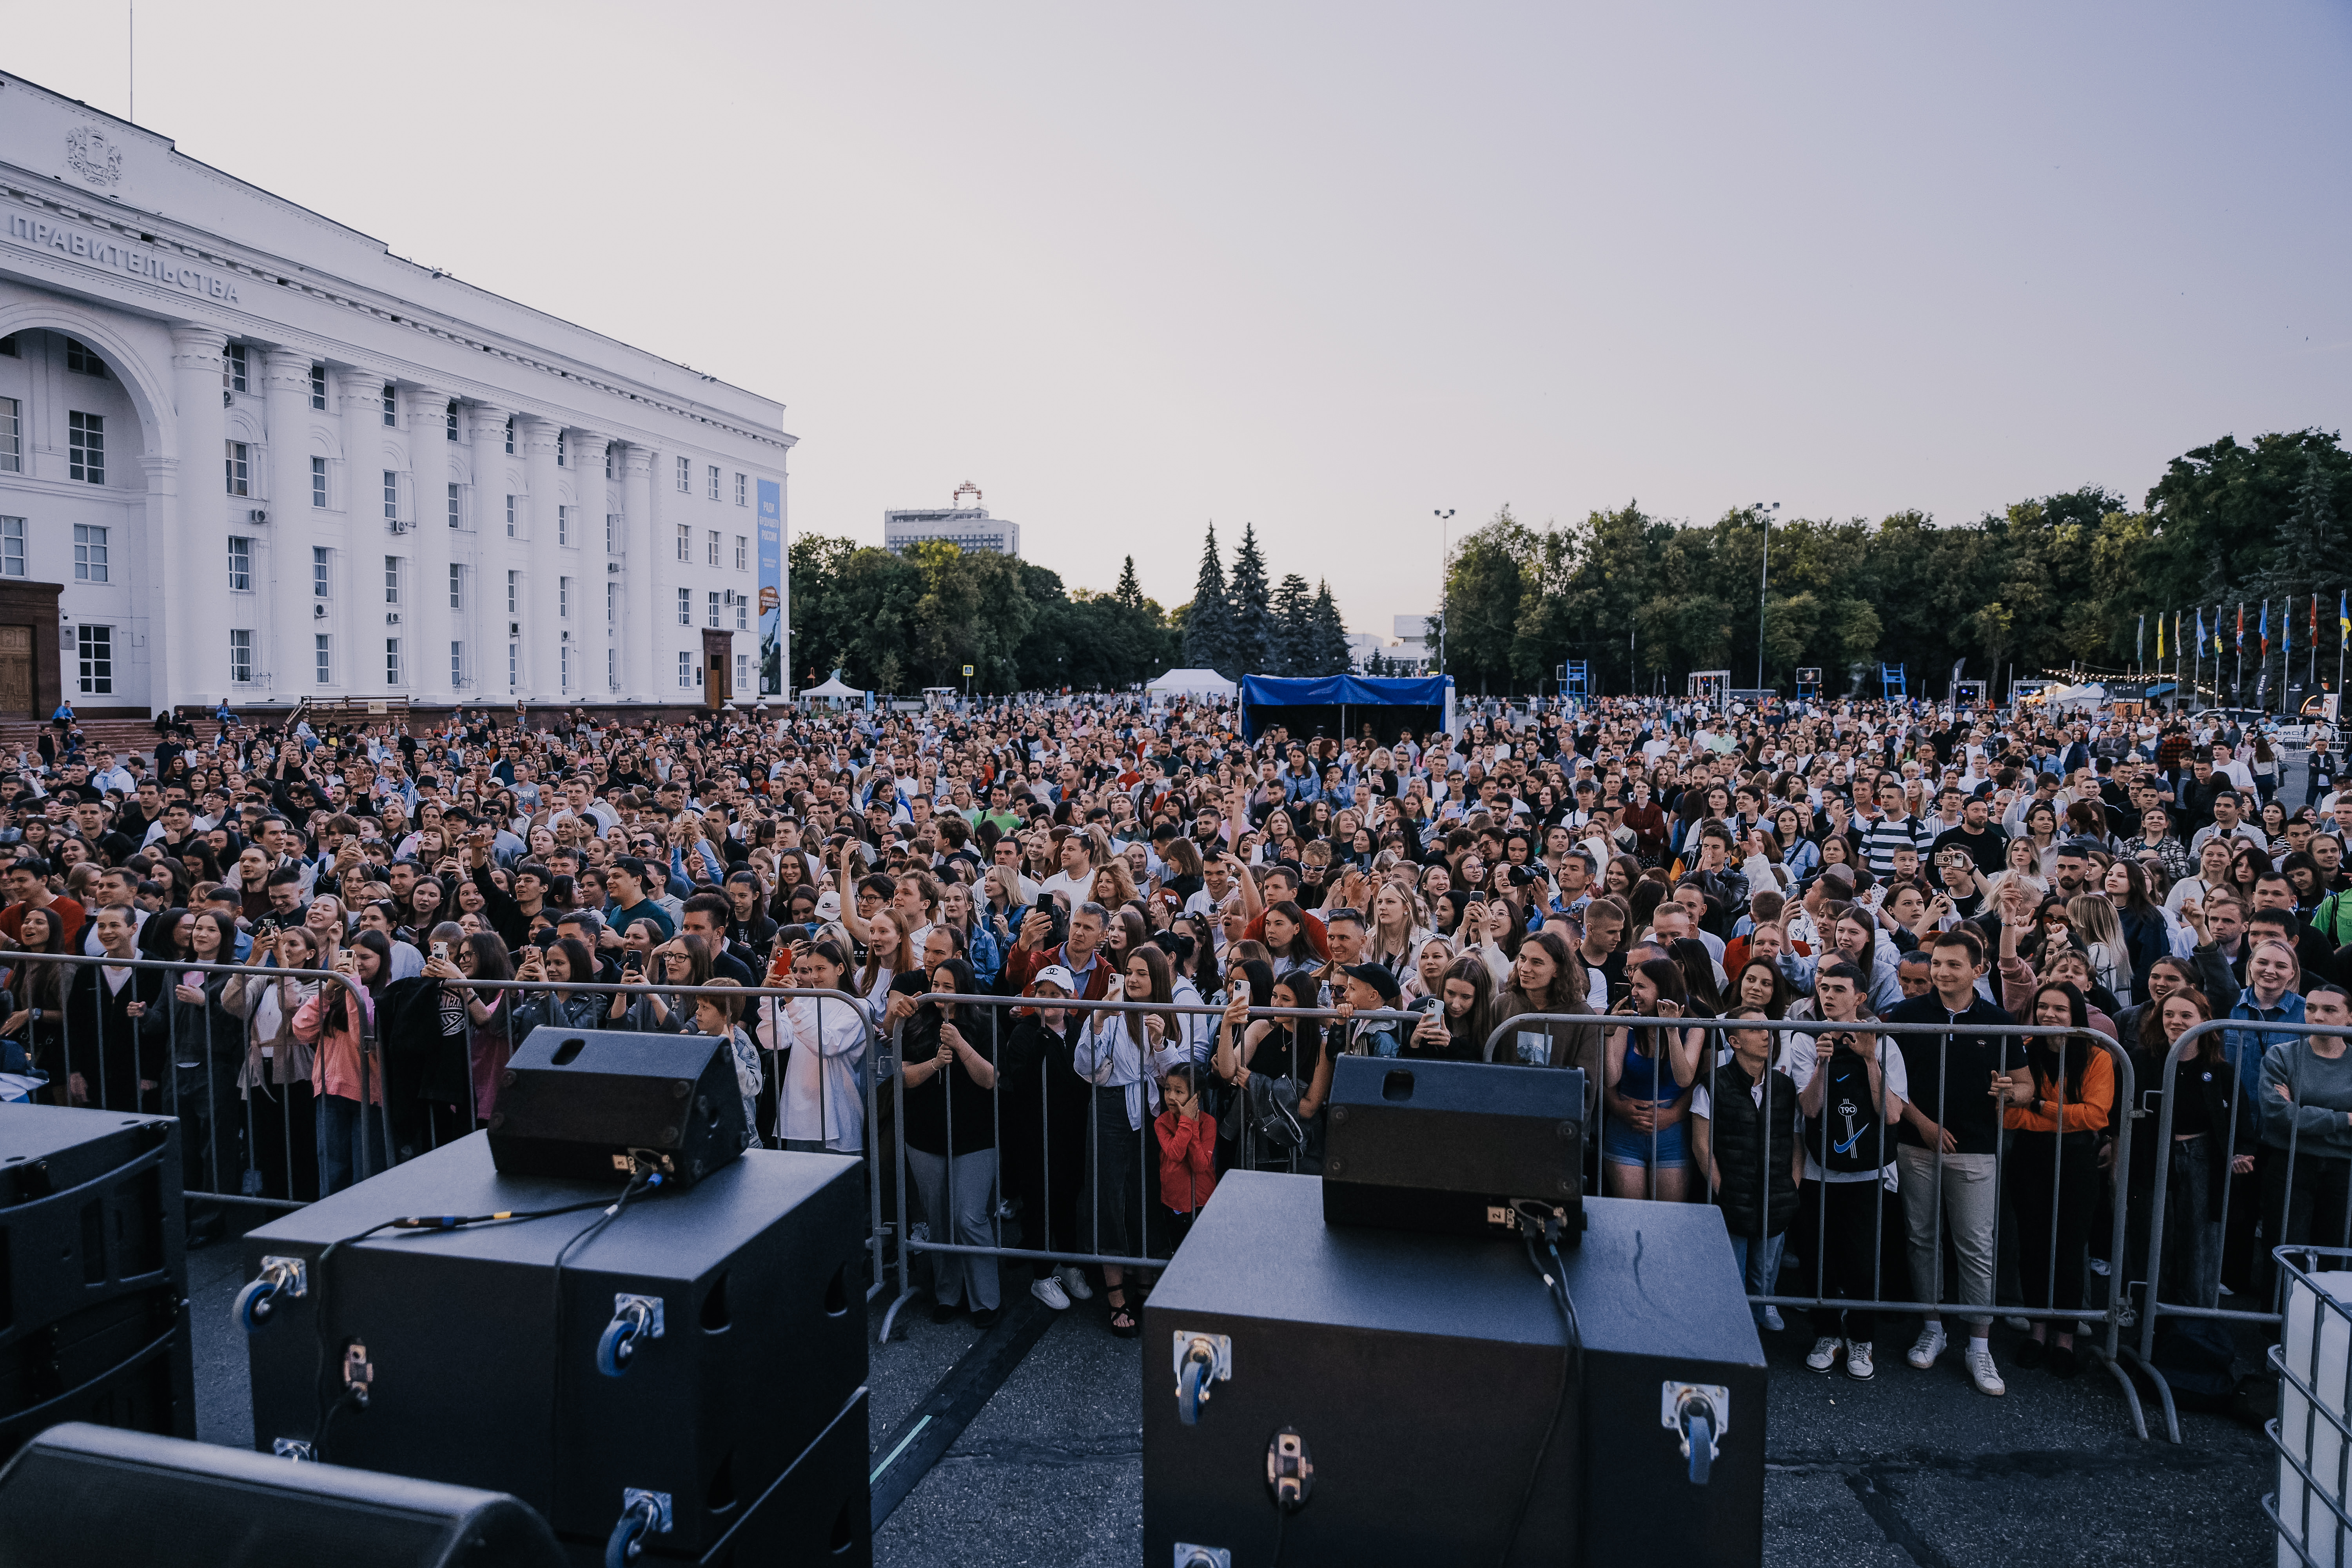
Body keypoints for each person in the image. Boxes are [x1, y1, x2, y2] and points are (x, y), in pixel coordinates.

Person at [1884, 927, 2013, 1396]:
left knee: (1976, 1247)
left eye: (1953, 964)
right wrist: (1923, 1124)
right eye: (1937, 963)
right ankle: (1932, 1327)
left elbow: (2024, 1085)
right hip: (1917, 1146)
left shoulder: (1998, 1019)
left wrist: (2010, 1092)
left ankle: (1979, 1344)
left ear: (1978, 970)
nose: (1941, 972)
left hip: (1977, 1149)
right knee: (1922, 1239)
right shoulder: (1906, 1013)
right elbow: (1890, 1080)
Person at [1795, 964, 1910, 1383]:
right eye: (1824, 987)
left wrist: (1869, 1060)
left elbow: (1893, 1112)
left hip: (1868, 1173)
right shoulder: (1806, 1039)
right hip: (1818, 1170)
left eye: (1839, 989)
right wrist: (1822, 1066)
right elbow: (1809, 1108)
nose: (1829, 995)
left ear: (1860, 998)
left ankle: (1862, 1338)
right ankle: (1826, 1335)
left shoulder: (1884, 1044)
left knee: (1863, 1263)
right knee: (1819, 1259)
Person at [1997, 981, 2114, 1377]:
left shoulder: (2097, 1055)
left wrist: (2038, 1104)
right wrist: (2058, 1113)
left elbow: (2096, 1115)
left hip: (2078, 1158)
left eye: (2060, 1009)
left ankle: (2065, 1338)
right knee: (2032, 1246)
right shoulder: (2024, 1049)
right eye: (2043, 1007)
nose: (2050, 1015)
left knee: (2068, 1249)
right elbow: (2011, 1116)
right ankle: (2037, 1332)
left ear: (2076, 1014)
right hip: (2031, 1156)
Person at [1073, 943, 1183, 1337]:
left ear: (1157, 980)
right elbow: (1084, 1066)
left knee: (1145, 1195)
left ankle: (1146, 1279)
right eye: (1129, 972)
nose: (1133, 980)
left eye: (1142, 974)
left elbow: (1178, 1078)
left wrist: (1160, 1044)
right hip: (1110, 1106)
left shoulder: (1166, 1017)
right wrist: (1098, 1021)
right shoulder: (1110, 1011)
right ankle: (1116, 1292)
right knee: (1109, 1195)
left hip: (1149, 1112)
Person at [900, 955, 1001, 1325]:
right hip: (925, 1136)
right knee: (940, 1218)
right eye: (935, 985)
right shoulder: (916, 1023)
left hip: (974, 1137)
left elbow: (990, 1078)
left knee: (969, 1217)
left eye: (948, 987)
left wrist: (959, 1045)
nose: (939, 993)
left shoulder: (985, 1023)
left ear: (964, 992)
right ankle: (948, 1294)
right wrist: (933, 1065)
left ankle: (986, 1301)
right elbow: (903, 1075)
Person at [1691, 1005, 1804, 1330]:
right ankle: (1734, 1334)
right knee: (1733, 1273)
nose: (1765, 1034)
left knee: (1765, 1270)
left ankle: (1763, 1311)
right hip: (1733, 1197)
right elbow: (1702, 1145)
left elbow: (1796, 1139)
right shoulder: (1713, 1085)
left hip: (1777, 1195)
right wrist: (1722, 1188)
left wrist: (1793, 1186)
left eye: (1767, 1028)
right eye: (1755, 1029)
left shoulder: (1784, 1087)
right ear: (1735, 1042)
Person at [2258, 985, 2352, 1294]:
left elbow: (2292, 1114)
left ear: (2349, 1017)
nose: (2317, 1017)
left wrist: (2299, 1109)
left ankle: (2326, 1333)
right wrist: (2345, 1118)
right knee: (2287, 1249)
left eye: (2329, 1010)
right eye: (2311, 1008)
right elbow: (2278, 1115)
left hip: (2343, 1168)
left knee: (2335, 1251)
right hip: (2290, 1162)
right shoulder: (2281, 1055)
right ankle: (2278, 1327)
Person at [1601, 956, 1704, 1200]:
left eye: (1641, 986)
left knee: (1667, 1219)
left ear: (1663, 989)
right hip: (1625, 1131)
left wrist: (1671, 1031)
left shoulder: (1694, 1027)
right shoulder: (1626, 1022)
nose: (1634, 992)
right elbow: (1611, 1078)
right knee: (1631, 1216)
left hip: (1671, 1134)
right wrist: (1610, 1033)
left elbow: (1684, 1079)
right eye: (1633, 985)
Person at [766, 936, 867, 1153]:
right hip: (798, 1120)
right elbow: (774, 1040)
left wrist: (792, 1003)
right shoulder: (801, 1000)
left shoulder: (858, 1007)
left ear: (840, 969)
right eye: (810, 969)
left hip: (839, 1118)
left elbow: (827, 1044)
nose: (813, 976)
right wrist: (768, 996)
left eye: (820, 969)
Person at [1153, 1063, 1217, 1251]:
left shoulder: (1209, 1123)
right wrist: (1187, 1122)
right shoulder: (1162, 1123)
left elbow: (1199, 1165)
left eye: (1179, 1092)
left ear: (1195, 1097)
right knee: (1180, 1253)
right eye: (1168, 1090)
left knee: (1204, 1253)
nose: (1171, 1097)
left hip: (1203, 1201)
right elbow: (1176, 1153)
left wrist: (1192, 1125)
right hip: (1175, 1201)